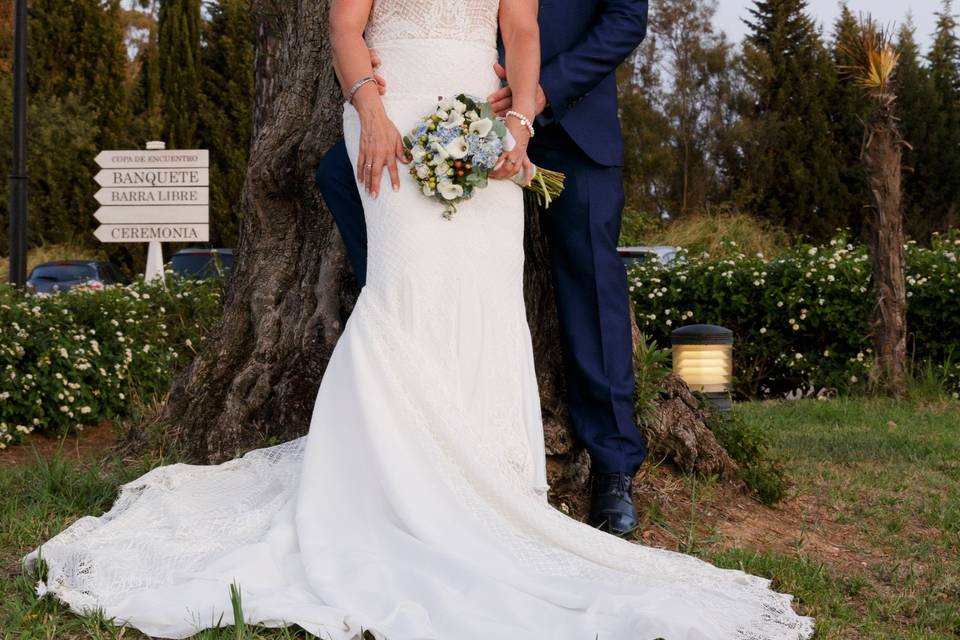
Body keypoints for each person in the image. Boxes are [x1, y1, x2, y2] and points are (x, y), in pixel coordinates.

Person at [23, 1, 815, 639]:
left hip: (542, 115)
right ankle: (399, 444)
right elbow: (348, 25)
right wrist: (373, 106)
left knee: (589, 292)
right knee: (407, 273)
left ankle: (610, 470)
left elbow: (611, 19)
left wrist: (528, 106)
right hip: (410, 104)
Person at [317, 0, 650, 537]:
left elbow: (625, 19)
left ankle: (613, 467)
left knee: (591, 278)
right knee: (344, 182)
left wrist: (538, 95)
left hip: (565, 113)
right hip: (444, 101)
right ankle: (408, 397)